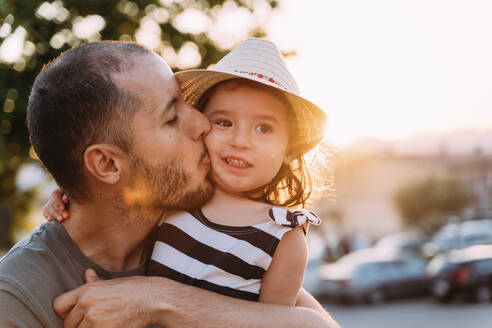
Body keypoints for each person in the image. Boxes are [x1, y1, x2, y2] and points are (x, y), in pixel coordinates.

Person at [0, 40, 340, 328]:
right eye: (171, 116)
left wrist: (158, 298)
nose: (203, 124)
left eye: (186, 103)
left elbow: (312, 324)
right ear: (107, 164)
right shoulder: (15, 299)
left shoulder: (177, 211)